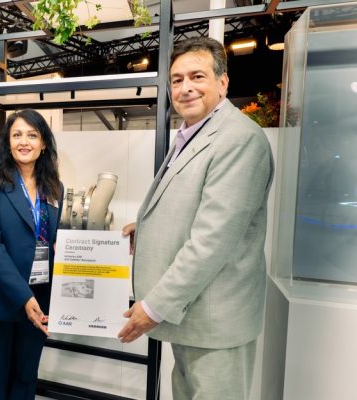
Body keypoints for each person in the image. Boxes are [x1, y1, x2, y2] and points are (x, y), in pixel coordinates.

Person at [117, 37, 274, 400]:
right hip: (192, 319)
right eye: (177, 80)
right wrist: (148, 227)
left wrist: (153, 307)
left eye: (197, 76)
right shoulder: (193, 134)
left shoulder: (239, 140)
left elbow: (212, 241)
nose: (185, 87)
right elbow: (198, 205)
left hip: (215, 323)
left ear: (223, 82)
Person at [0, 109, 63, 399]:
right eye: (17, 135)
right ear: (8, 142)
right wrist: (24, 297)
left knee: (25, 381)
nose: (24, 142)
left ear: (43, 143)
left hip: (39, 299)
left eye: (32, 135)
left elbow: (52, 240)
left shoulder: (55, 188)